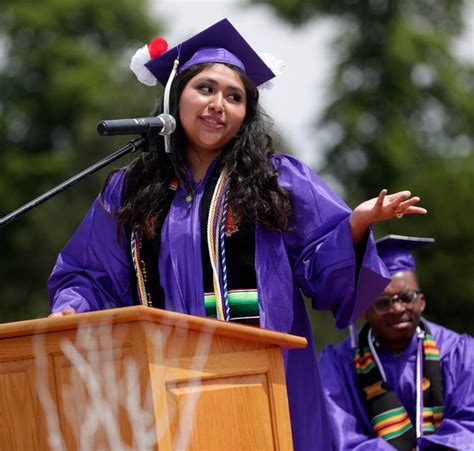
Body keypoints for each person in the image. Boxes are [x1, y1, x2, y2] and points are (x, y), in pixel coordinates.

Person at [48, 19, 427, 450]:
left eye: (235, 96)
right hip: (158, 382)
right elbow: (89, 272)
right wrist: (71, 307)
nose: (218, 104)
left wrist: (355, 226)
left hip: (261, 382)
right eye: (205, 89)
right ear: (175, 98)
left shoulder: (275, 181)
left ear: (246, 113)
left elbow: (326, 272)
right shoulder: (130, 190)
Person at [320, 235, 474, 450]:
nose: (398, 309)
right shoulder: (337, 366)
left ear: (421, 302)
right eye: (383, 302)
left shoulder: (460, 352)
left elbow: (469, 425)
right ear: (364, 311)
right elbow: (339, 435)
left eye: (407, 297)